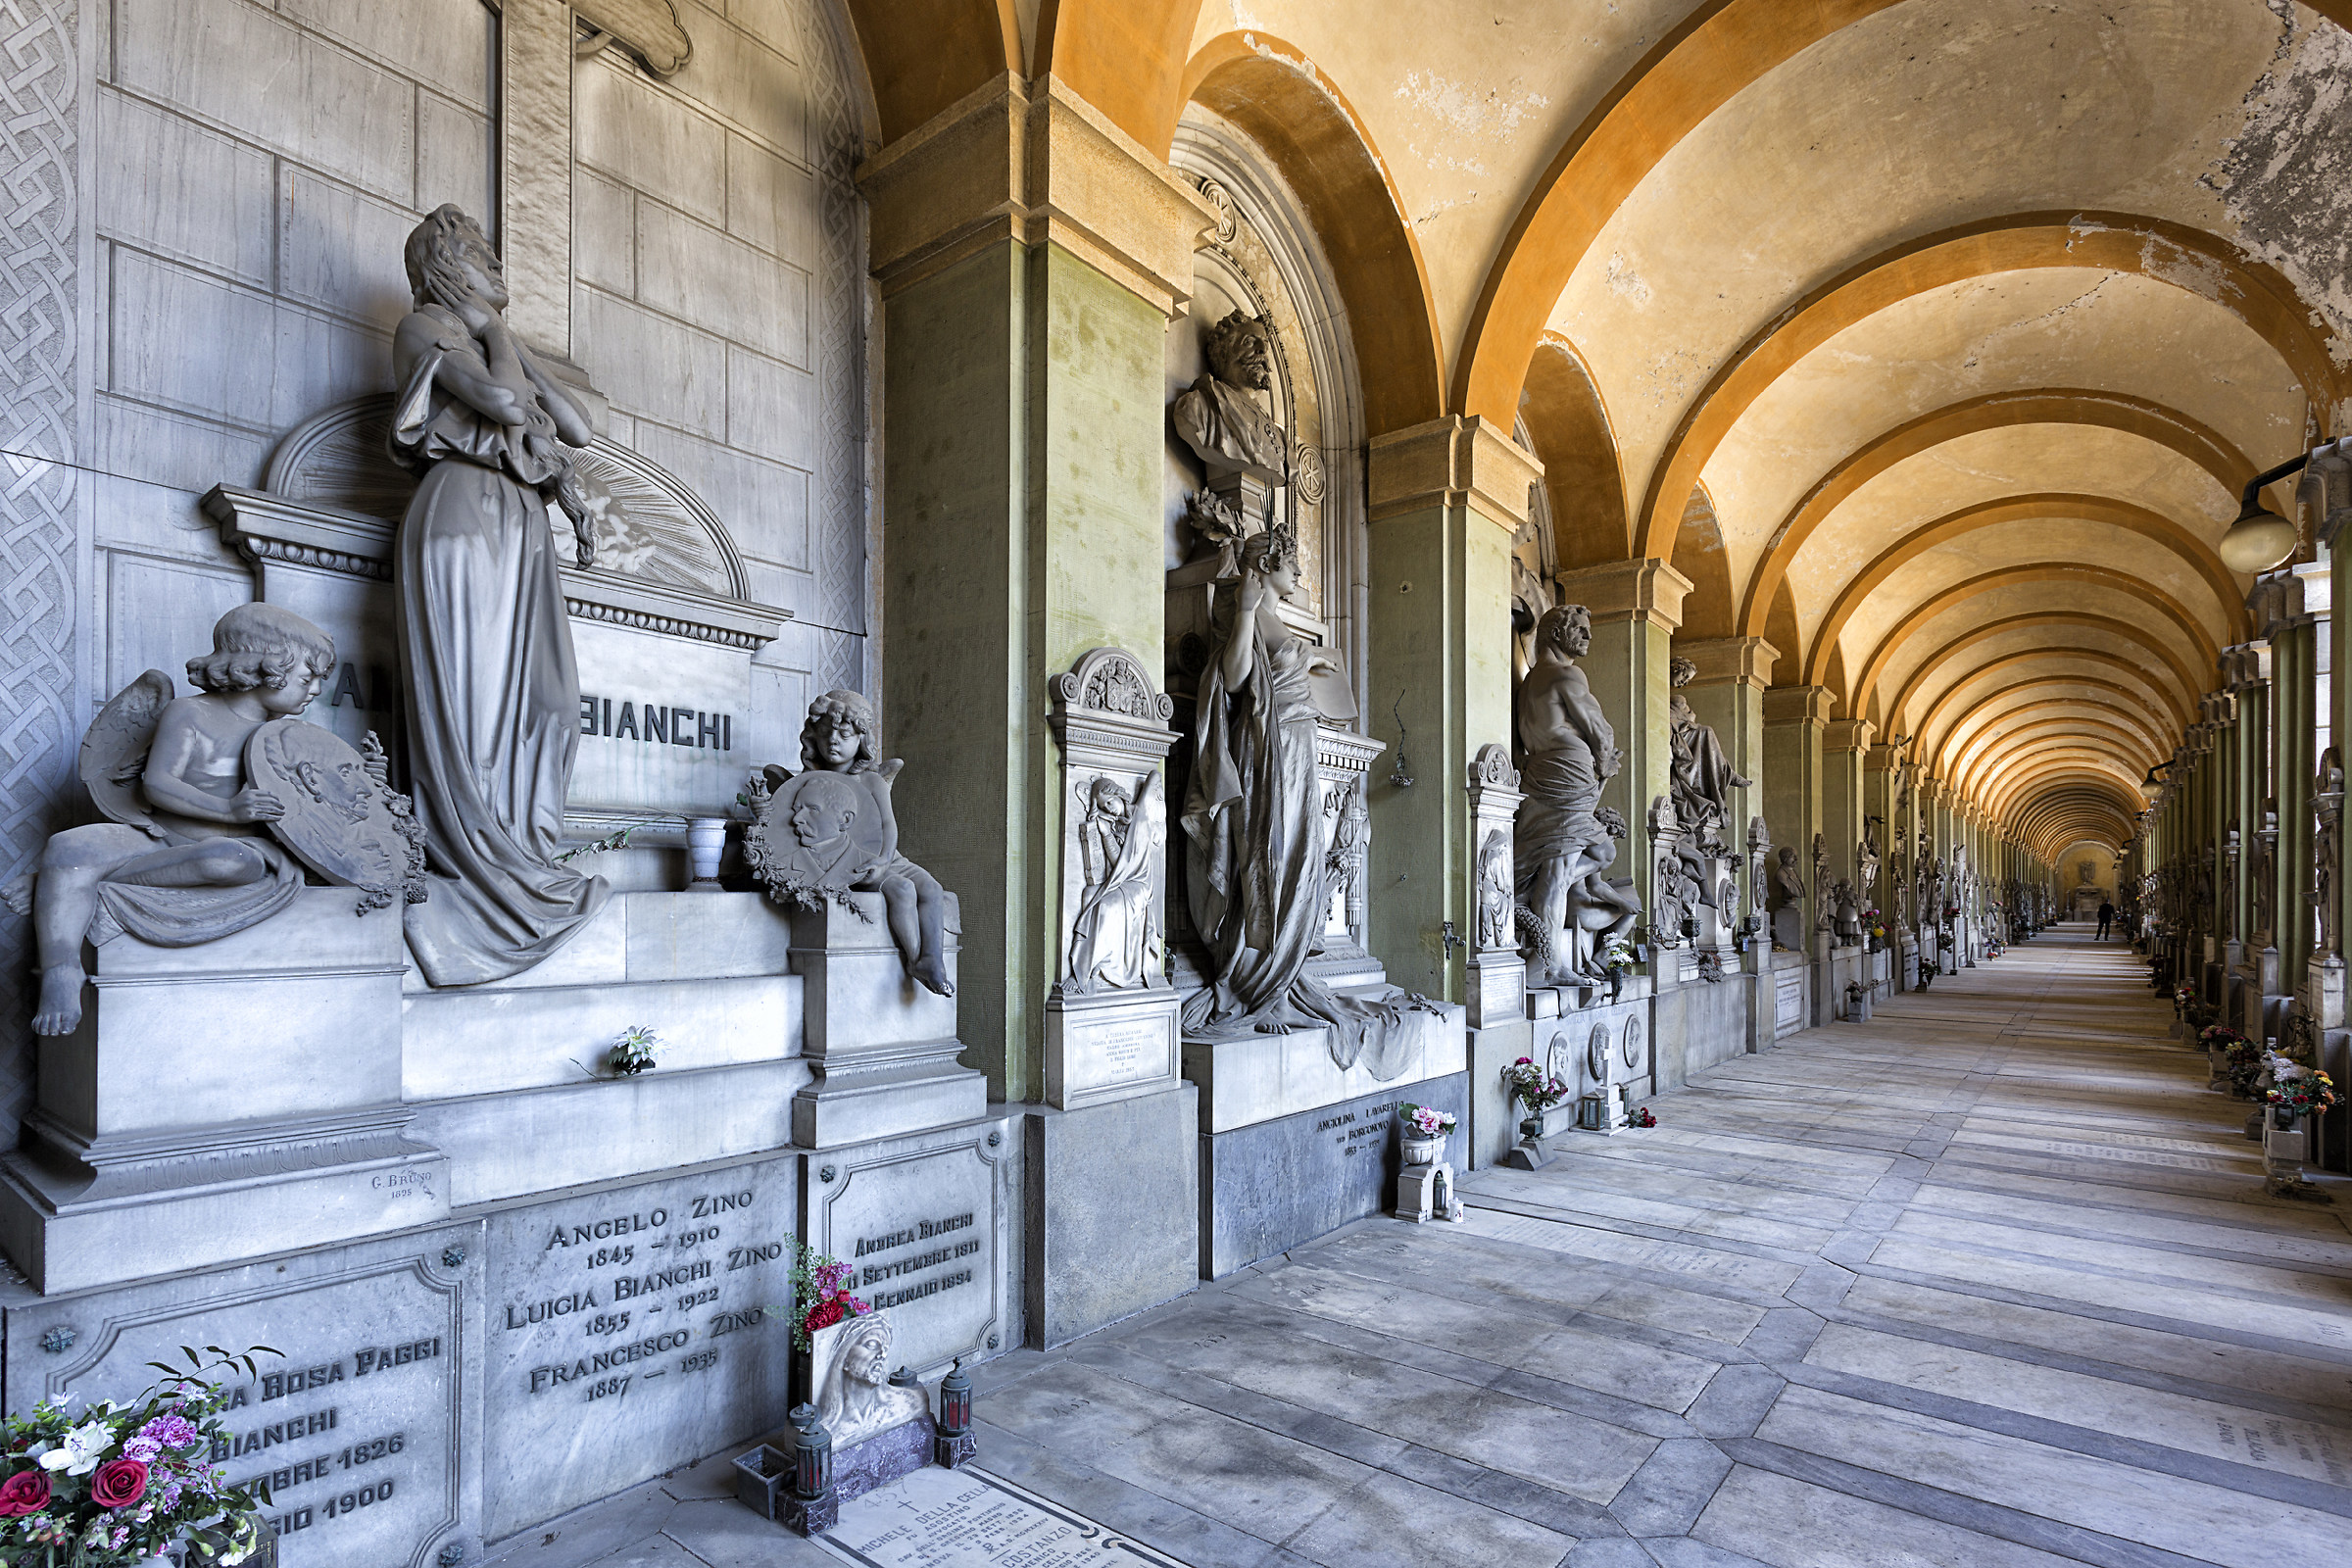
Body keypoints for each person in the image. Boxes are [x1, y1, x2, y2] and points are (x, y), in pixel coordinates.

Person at [390, 204, 609, 985]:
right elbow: (507, 407)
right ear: (446, 267)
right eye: (482, 256)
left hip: (520, 520)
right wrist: (490, 337)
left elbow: (577, 428)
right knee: (475, 708)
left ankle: (521, 854)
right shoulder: (424, 328)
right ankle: (477, 865)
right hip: (463, 509)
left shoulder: (490, 338)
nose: (497, 266)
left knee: (551, 701)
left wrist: (502, 332)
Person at [10, 605, 330, 1035]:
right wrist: (227, 809)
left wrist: (365, 779)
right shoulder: (190, 713)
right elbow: (158, 784)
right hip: (161, 836)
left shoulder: (293, 739)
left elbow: (325, 801)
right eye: (307, 678)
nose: (316, 690)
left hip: (238, 847)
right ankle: (61, 968)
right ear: (263, 668)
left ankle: (64, 882)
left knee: (227, 860)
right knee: (68, 846)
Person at [1181, 528, 1428, 1071]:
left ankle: (1282, 973)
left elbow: (1282, 664)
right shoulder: (1244, 609)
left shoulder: (1279, 622)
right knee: (1268, 857)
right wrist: (1246, 611)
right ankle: (1258, 980)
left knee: (1300, 860)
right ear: (1267, 566)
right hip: (1265, 749)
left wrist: (1311, 659)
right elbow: (1234, 677)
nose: (1297, 574)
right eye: (1291, 564)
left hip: (1297, 749)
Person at [799, 690, 955, 997]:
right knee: (902, 890)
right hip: (848, 861)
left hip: (887, 856)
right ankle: (916, 960)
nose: (833, 741)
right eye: (826, 733)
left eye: (844, 734)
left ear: (861, 740)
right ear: (814, 737)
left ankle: (933, 959)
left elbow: (887, 825)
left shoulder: (871, 780)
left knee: (932, 888)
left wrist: (885, 859)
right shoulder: (810, 783)